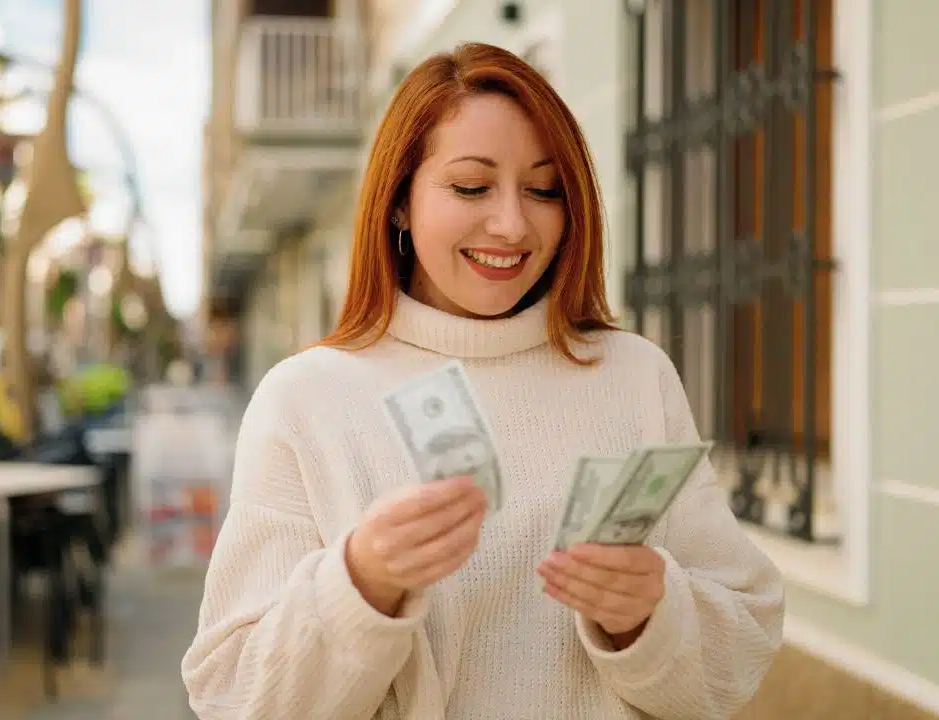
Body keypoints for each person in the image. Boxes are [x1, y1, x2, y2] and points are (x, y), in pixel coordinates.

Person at [182, 42, 784, 719]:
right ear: (400, 202)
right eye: (471, 186)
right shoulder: (306, 398)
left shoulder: (634, 377)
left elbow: (742, 650)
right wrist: (361, 582)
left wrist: (650, 616)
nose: (512, 224)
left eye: (544, 189)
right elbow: (233, 695)